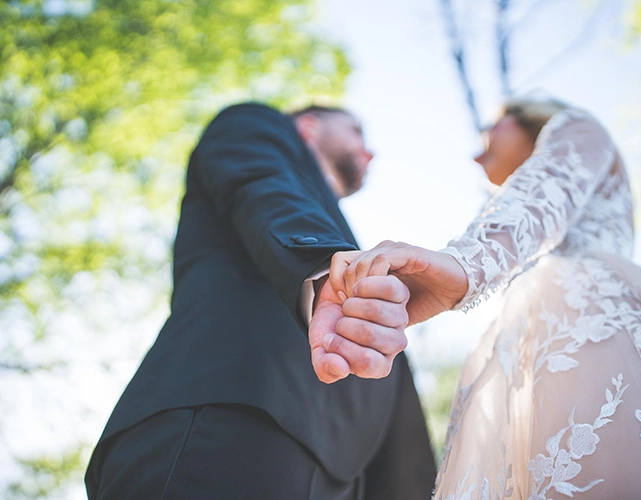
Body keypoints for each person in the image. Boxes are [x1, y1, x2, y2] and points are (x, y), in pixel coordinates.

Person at [325, 98, 641, 499]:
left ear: (523, 116)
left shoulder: (577, 127)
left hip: (596, 327)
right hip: (528, 344)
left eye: (489, 130)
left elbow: (544, 193)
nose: (477, 155)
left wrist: (463, 266)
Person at [84, 103, 436, 500]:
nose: (369, 151)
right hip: (227, 425)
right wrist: (323, 270)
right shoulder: (254, 125)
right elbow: (264, 184)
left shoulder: (344, 236)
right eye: (355, 131)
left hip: (342, 476)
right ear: (308, 126)